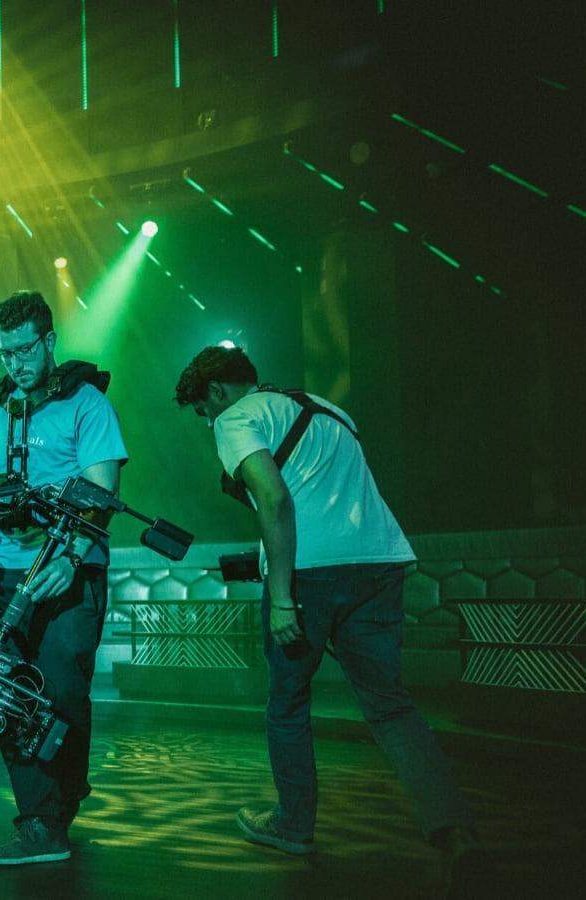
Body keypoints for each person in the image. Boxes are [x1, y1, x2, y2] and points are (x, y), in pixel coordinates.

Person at [174, 345, 491, 895]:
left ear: (217, 392)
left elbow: (274, 500)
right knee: (392, 708)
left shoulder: (236, 417)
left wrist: (279, 598)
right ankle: (455, 836)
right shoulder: (328, 408)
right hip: (378, 562)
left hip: (310, 575)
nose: (208, 424)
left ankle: (293, 826)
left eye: (203, 411)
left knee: (289, 705)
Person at [0, 290, 127, 866]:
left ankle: (57, 806)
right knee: (0, 690)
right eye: (4, 354)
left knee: (64, 693)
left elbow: (101, 494)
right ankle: (41, 821)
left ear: (48, 341)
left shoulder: (87, 403)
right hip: (4, 571)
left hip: (71, 575)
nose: (14, 364)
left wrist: (70, 557)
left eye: (23, 351)